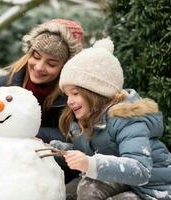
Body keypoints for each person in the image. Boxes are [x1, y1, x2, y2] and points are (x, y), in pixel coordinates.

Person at [53, 37, 171, 200]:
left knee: (90, 188)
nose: (69, 101)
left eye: (75, 93)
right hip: (122, 180)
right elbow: (92, 152)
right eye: (67, 95)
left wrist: (90, 164)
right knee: (70, 192)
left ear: (96, 92)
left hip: (152, 189)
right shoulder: (87, 119)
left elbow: (141, 170)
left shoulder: (127, 119)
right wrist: (56, 150)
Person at [0, 18, 84, 183]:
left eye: (51, 63)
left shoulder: (74, 96)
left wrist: (30, 133)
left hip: (54, 170)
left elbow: (74, 136)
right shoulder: (7, 84)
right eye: (36, 56)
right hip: (9, 164)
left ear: (66, 68)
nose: (39, 67)